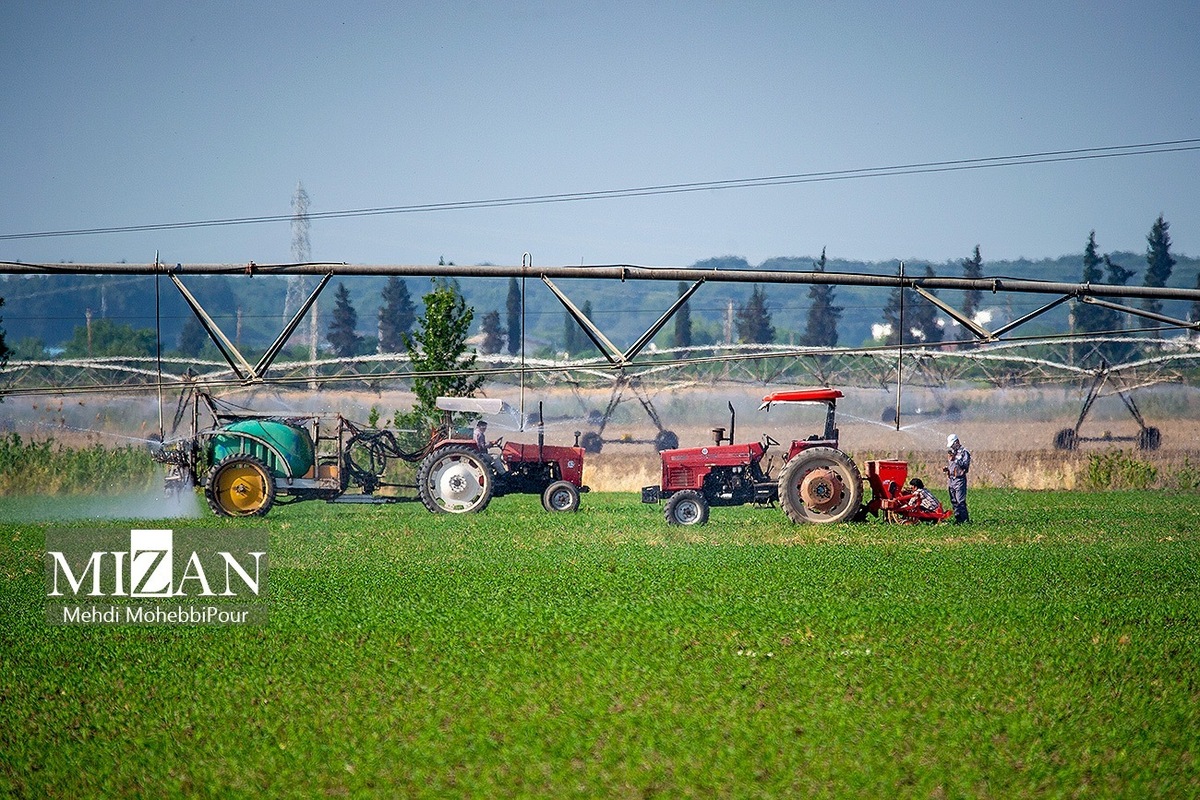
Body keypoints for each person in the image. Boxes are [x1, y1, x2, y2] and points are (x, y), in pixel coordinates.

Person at [943, 433, 971, 524]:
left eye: (952, 445)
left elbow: (965, 465)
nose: (952, 447)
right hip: (951, 480)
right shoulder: (952, 453)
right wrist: (947, 468)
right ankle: (958, 519)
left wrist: (955, 459)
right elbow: (952, 466)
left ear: (957, 442)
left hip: (959, 480)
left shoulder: (964, 452)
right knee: (954, 501)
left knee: (960, 501)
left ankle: (965, 520)